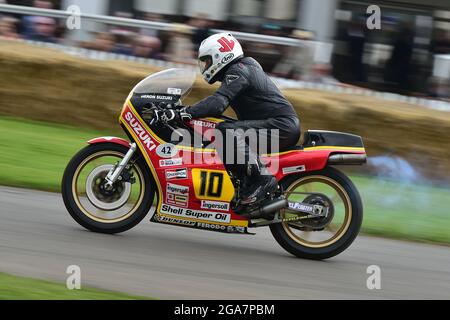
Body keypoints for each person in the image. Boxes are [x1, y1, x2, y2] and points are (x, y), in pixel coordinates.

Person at [155, 33, 301, 205]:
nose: (205, 66)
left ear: (220, 55)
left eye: (207, 61)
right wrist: (181, 109)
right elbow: (216, 106)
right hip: (277, 124)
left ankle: (263, 180)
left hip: (281, 126)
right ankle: (245, 185)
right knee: (222, 129)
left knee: (226, 130)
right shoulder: (243, 68)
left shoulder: (239, 70)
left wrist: (184, 112)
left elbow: (217, 103)